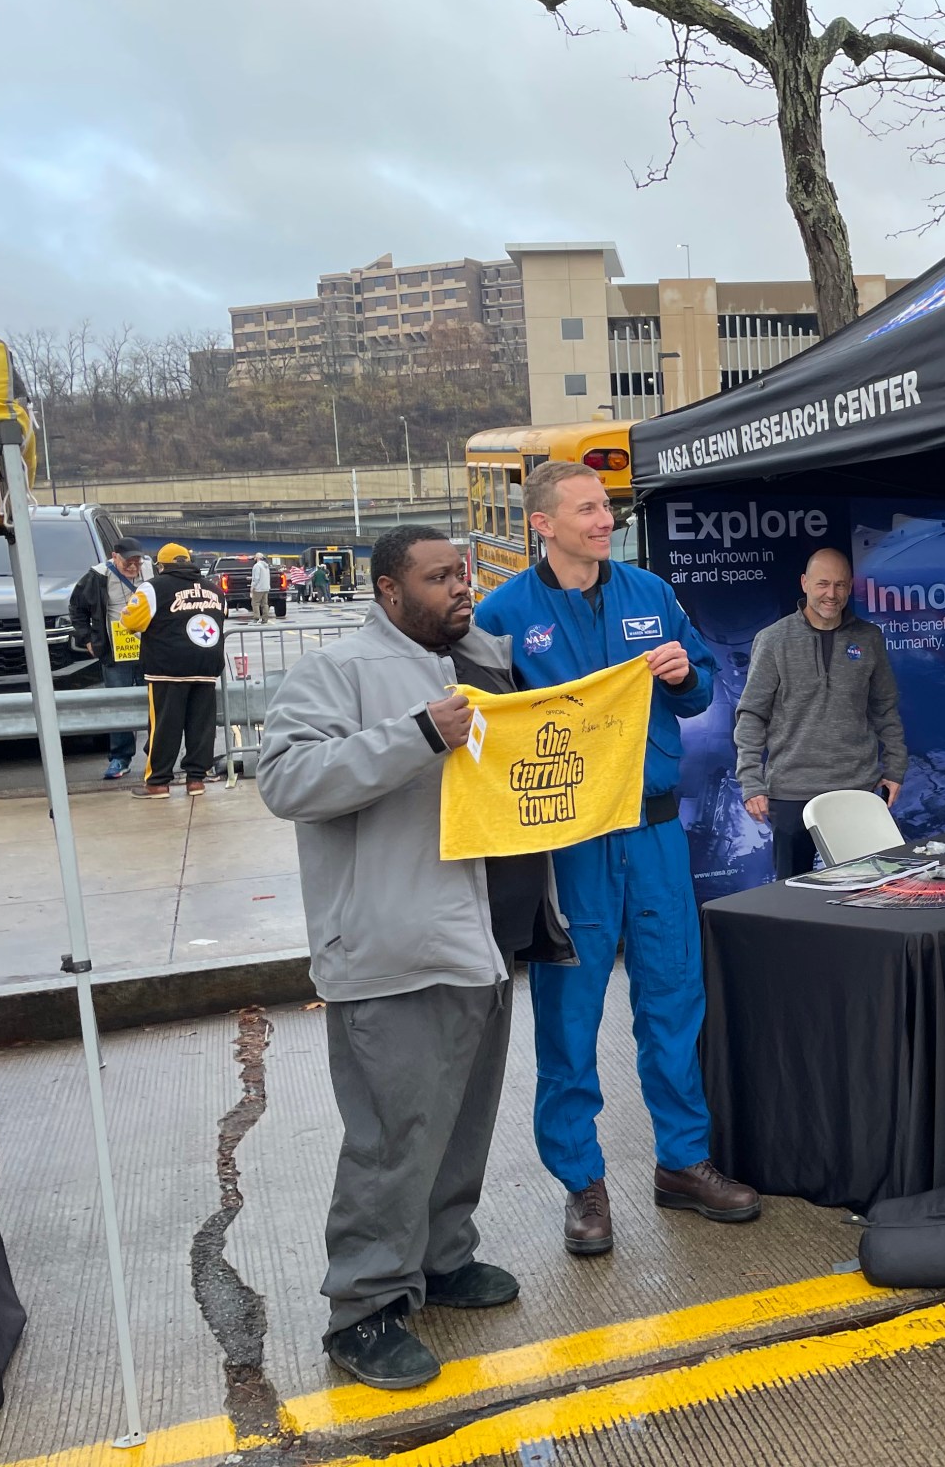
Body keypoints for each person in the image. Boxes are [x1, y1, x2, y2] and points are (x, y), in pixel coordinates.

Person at [260, 524, 550, 1390]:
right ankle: (365, 1309)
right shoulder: (338, 671)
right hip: (392, 944)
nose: (461, 587)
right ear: (390, 591)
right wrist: (416, 734)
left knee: (462, 1124)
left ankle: (442, 1259)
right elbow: (286, 780)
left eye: (461, 572)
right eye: (438, 578)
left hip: (483, 938)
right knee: (392, 1138)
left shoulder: (490, 660)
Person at [474, 461, 759, 1255]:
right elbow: (486, 735)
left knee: (673, 999)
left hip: (655, 833)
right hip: (571, 846)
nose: (605, 521)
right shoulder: (504, 614)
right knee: (570, 1014)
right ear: (543, 523)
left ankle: (683, 1162)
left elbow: (700, 690)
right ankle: (582, 1183)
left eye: (608, 508)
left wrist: (683, 675)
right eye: (588, 509)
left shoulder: (650, 594)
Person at [733, 547, 908, 878]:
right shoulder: (773, 640)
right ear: (804, 583)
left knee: (865, 890)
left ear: (850, 587)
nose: (832, 594)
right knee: (792, 898)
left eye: (840, 585)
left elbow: (885, 708)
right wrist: (751, 782)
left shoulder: (869, 638)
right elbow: (752, 715)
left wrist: (896, 768)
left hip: (856, 789)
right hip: (790, 793)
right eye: (823, 584)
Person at [122, 543, 226, 799]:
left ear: (161, 565)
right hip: (206, 665)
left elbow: (131, 622)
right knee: (201, 726)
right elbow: (222, 616)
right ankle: (196, 781)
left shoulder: (153, 588)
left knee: (165, 726)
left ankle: (158, 783)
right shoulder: (214, 589)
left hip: (168, 667)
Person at [69, 537, 148, 781]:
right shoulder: (98, 576)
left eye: (138, 562)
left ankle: (156, 755)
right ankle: (120, 757)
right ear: (115, 557)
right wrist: (88, 640)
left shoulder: (152, 573)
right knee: (119, 703)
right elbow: (77, 608)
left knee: (155, 703)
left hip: (149, 647)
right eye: (129, 563)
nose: (134, 568)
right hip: (116, 649)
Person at [250, 554, 274, 621]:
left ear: (257, 558)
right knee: (265, 604)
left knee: (255, 603)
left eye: (255, 557)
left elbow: (256, 578)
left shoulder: (257, 566)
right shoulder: (266, 566)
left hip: (258, 588)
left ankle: (256, 618)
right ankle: (265, 618)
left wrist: (252, 586)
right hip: (266, 587)